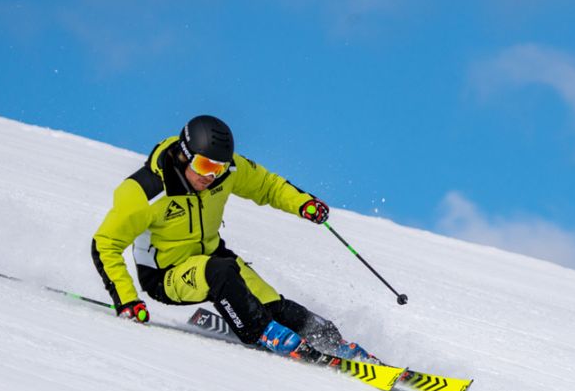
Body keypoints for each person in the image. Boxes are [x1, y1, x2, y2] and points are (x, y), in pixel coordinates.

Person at [91, 115, 371, 362]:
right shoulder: (146, 191)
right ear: (183, 155)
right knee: (220, 272)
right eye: (203, 165)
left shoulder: (227, 172)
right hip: (166, 275)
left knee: (274, 304)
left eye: (218, 168)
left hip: (214, 258)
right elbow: (105, 244)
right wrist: (127, 301)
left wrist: (302, 203)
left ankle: (333, 341)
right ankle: (264, 332)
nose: (210, 176)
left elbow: (266, 186)